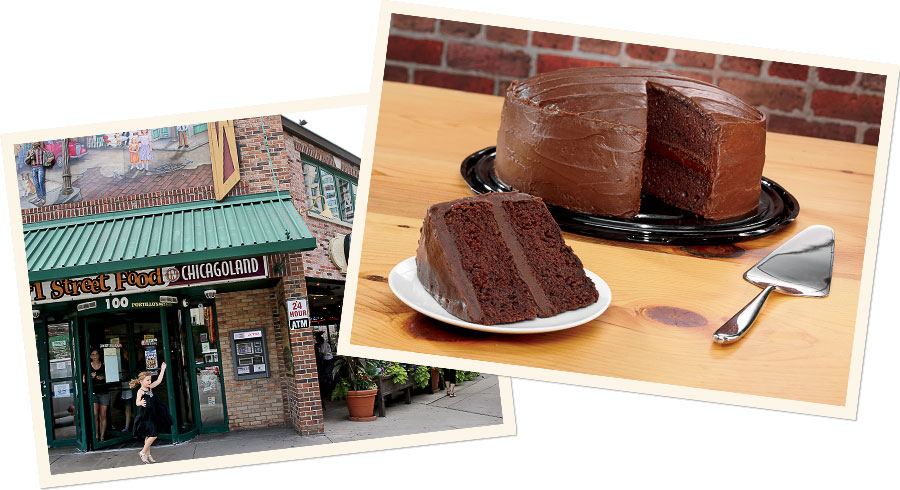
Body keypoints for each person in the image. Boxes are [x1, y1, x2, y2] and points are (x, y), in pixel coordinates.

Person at [130, 362, 172, 463]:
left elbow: (159, 380)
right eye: (147, 380)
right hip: (145, 416)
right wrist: (140, 402)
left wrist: (162, 369)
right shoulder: (140, 391)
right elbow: (136, 402)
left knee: (148, 436)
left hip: (152, 414)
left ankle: (148, 455)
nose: (149, 381)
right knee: (154, 435)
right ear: (141, 381)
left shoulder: (150, 388)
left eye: (150, 380)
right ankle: (143, 452)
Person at [24, 141, 55, 206]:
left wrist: (50, 159)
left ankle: (43, 197)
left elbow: (51, 155)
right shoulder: (30, 151)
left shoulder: (42, 150)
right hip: (33, 168)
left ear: (39, 143)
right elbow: (26, 161)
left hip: (40, 167)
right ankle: (39, 196)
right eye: (33, 142)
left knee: (41, 182)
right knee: (36, 183)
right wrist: (30, 156)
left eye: (36, 142)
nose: (34, 143)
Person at [88, 349, 109, 441]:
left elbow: (111, 376)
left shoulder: (104, 365)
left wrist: (103, 377)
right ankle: (96, 436)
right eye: (92, 354)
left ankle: (102, 437)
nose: (94, 356)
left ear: (99, 355)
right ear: (90, 356)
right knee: (95, 414)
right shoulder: (88, 366)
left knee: (103, 415)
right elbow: (83, 380)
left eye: (96, 354)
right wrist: (90, 376)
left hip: (104, 392)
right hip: (93, 392)